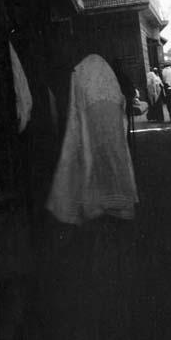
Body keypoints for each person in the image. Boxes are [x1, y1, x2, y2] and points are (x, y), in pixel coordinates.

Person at [46, 54, 138, 224]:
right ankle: (116, 200)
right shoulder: (108, 75)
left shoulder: (81, 73)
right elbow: (123, 103)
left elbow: (75, 113)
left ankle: (99, 201)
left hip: (92, 115)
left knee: (91, 155)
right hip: (110, 119)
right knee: (114, 156)